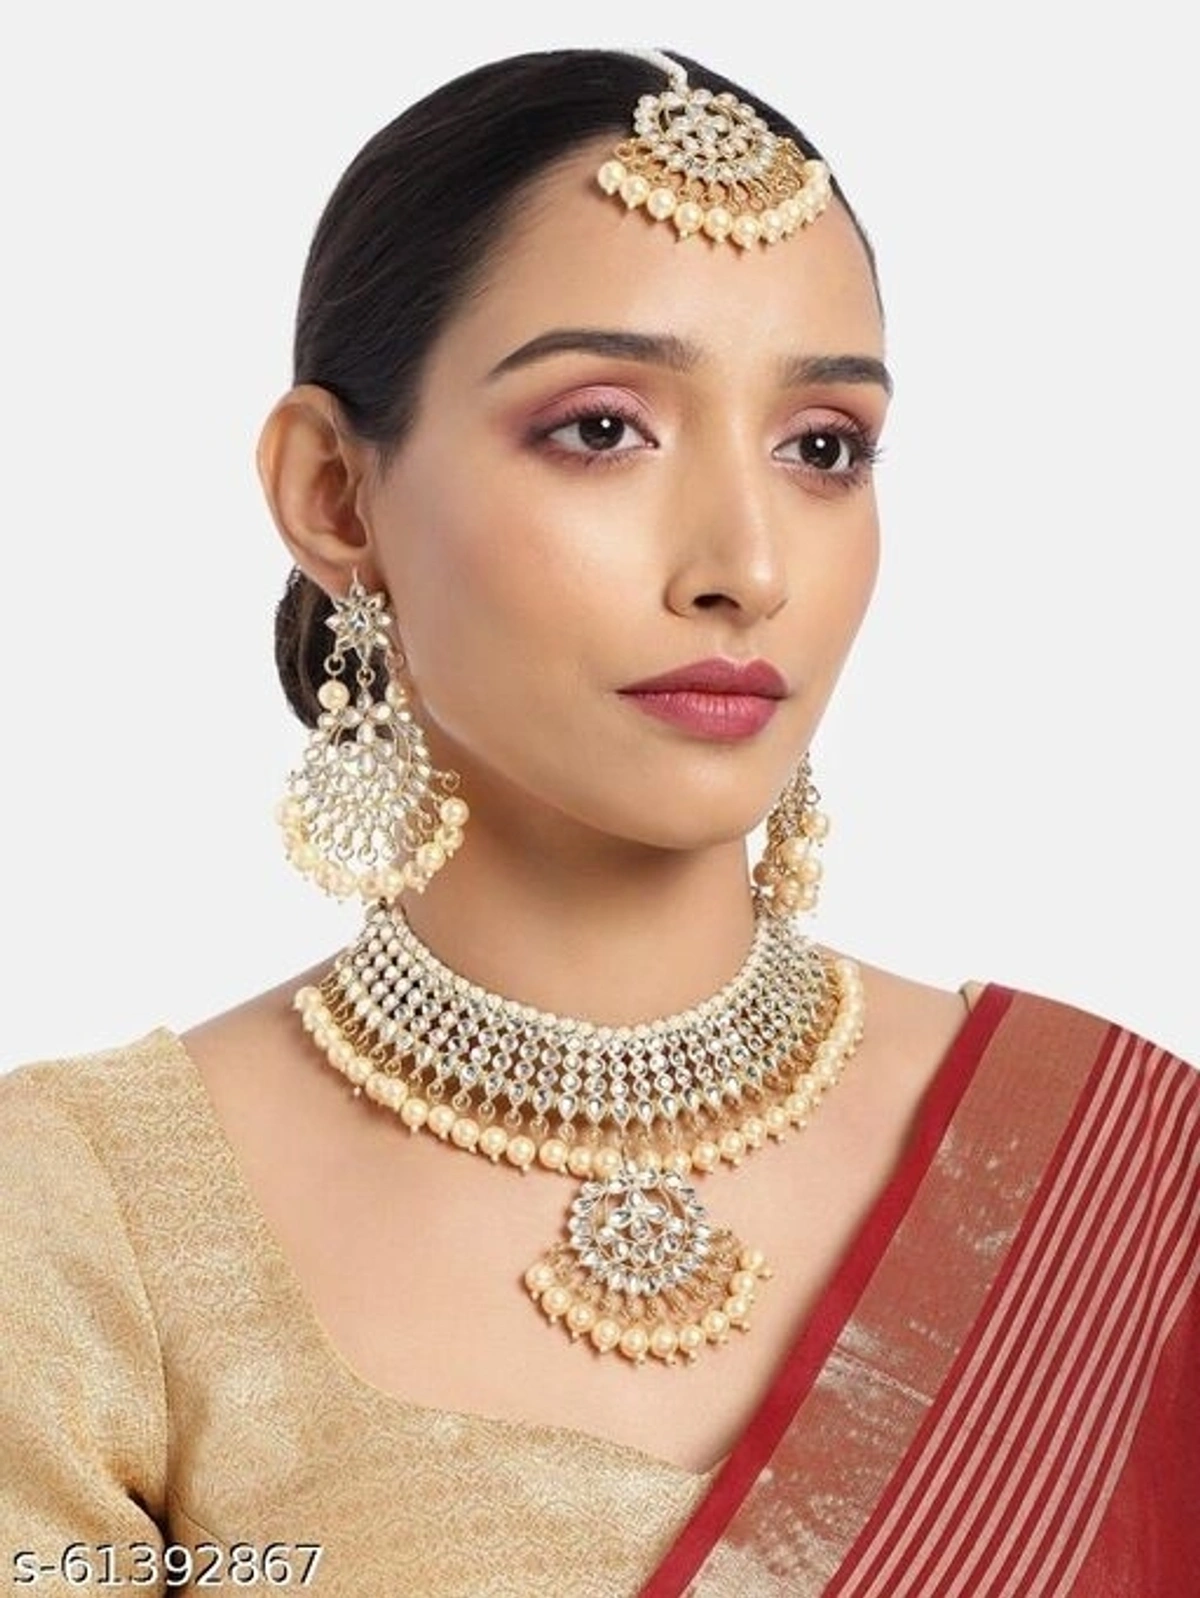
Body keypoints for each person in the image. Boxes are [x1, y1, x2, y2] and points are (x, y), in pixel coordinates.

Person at [1, 44, 1196, 1598]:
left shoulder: (1118, 1183)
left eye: (823, 445)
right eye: (602, 429)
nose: (746, 566)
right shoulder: (88, 1224)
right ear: (335, 496)